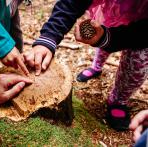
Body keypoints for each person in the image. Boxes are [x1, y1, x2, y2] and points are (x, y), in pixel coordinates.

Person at [23, 0, 148, 131]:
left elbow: (143, 34)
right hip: (115, 8)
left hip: (142, 26)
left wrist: (108, 38)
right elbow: (70, 3)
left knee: (137, 62)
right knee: (104, 29)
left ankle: (119, 99)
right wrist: (49, 37)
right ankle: (96, 67)